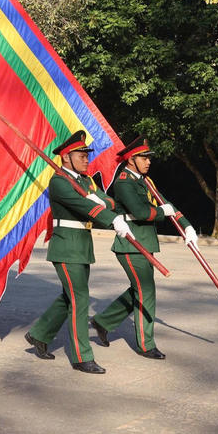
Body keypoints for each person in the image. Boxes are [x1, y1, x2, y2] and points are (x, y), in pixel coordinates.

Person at [25, 131, 131, 374]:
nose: (86, 159)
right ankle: (82, 356)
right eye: (80, 155)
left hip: (81, 245)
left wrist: (103, 202)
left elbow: (107, 200)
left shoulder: (85, 181)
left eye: (86, 155)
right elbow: (83, 206)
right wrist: (111, 219)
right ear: (65, 157)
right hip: (66, 247)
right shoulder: (60, 181)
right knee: (80, 298)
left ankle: (39, 335)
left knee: (69, 296)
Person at [91, 137, 199, 360]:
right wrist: (163, 213)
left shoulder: (145, 181)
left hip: (144, 242)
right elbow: (141, 212)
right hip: (131, 243)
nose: (148, 162)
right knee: (146, 291)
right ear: (131, 159)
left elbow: (165, 203)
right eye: (143, 157)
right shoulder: (124, 182)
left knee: (138, 290)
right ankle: (145, 344)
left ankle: (103, 322)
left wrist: (187, 226)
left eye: (149, 158)